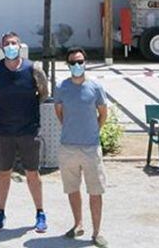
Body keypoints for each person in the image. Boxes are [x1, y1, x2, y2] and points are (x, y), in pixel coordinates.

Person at [0, 31, 50, 233]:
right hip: (3, 131)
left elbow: (43, 93)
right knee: (3, 173)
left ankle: (40, 213)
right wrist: (0, 111)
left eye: (14, 43)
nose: (11, 46)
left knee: (33, 174)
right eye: (7, 44)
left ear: (20, 46)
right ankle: (0, 212)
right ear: (2, 48)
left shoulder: (33, 70)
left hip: (29, 131)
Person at [55, 48, 109, 247]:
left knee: (95, 190)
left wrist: (93, 130)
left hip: (90, 148)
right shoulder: (61, 87)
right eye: (72, 63)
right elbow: (59, 112)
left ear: (85, 62)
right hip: (68, 147)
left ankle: (96, 233)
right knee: (72, 188)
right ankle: (78, 224)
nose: (76, 66)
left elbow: (103, 114)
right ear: (68, 65)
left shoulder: (95, 87)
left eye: (80, 61)